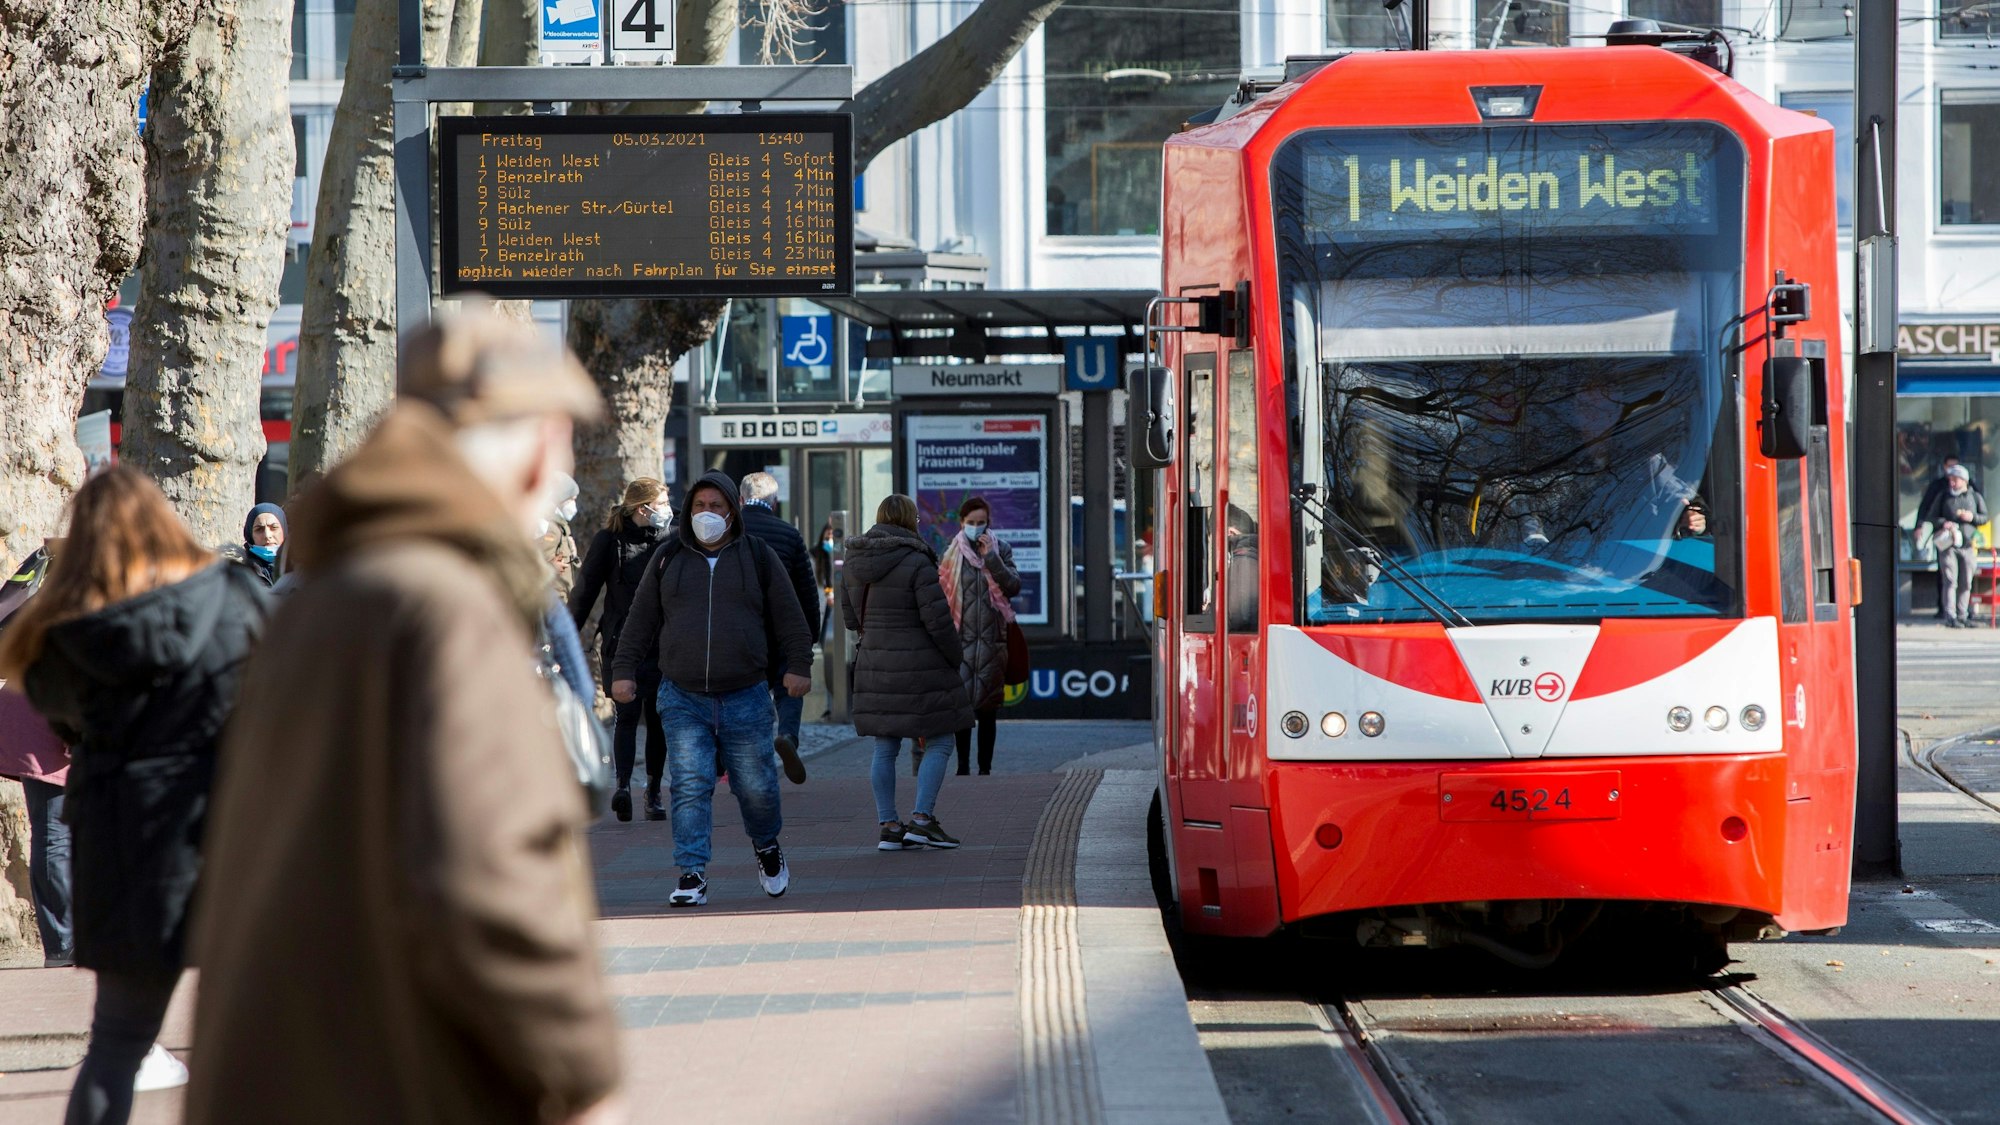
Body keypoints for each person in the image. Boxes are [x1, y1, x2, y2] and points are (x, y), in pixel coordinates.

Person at [184, 307, 626, 1125]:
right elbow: (492, 879)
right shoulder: (451, 605)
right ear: (534, 448)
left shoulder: (322, 594)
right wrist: (583, 1078)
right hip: (408, 1078)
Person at [0, 467, 269, 1125]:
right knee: (264, 1040)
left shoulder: (66, 636)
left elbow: (61, 721)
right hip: (229, 834)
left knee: (117, 1046)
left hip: (120, 841)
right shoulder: (233, 594)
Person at [610, 471, 813, 908]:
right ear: (688, 512)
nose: (707, 514)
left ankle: (766, 846)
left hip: (745, 693)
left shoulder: (758, 556)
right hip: (683, 696)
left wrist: (798, 665)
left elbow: (790, 617)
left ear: (733, 511)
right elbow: (640, 620)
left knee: (755, 786)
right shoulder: (667, 558)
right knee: (688, 783)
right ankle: (691, 872)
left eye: (716, 506)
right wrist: (623, 670)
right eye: (699, 506)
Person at [843, 494, 974, 849]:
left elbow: (850, 619)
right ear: (908, 521)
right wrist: (954, 656)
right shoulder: (916, 560)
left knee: (884, 746)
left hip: (873, 663)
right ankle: (922, 819)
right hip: (919, 666)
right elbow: (937, 620)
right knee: (941, 739)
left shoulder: (853, 560)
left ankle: (888, 825)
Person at [570, 478, 672, 821]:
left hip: (662, 645)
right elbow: (585, 592)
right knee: (626, 715)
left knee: (658, 719)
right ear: (642, 508)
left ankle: (654, 791)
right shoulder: (609, 541)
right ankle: (624, 786)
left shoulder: (669, 540)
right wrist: (566, 634)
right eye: (661, 502)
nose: (667, 509)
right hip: (621, 643)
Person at [737, 471, 816, 785]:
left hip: (744, 629)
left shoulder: (732, 534)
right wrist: (808, 639)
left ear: (741, 500)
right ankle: (787, 736)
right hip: (783, 628)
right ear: (774, 501)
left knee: (748, 692)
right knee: (789, 687)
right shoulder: (789, 533)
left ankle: (750, 762)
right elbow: (807, 591)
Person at [937, 497, 1020, 777]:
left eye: (980, 522)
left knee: (988, 711)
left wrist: (991, 559)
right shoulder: (950, 554)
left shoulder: (1001, 549)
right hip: (960, 644)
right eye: (970, 522)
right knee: (962, 711)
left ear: (988, 523)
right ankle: (962, 768)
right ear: (961, 523)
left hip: (992, 644)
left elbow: (1013, 586)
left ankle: (985, 769)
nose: (975, 527)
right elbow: (941, 595)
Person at [1924, 463, 1988, 628]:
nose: (1952, 483)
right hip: (1949, 545)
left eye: (1956, 479)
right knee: (1950, 580)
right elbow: (1931, 516)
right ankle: (1950, 616)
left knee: (1966, 581)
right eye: (1951, 479)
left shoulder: (1974, 497)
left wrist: (1971, 517)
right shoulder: (1944, 496)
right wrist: (1944, 523)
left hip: (1968, 544)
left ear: (1964, 481)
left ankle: (1963, 614)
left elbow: (1984, 517)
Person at [541, 472, 582, 603]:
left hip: (561, 596)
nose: (574, 505)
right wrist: (551, 568)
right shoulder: (548, 527)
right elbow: (537, 562)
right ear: (562, 499)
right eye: (573, 499)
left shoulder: (560, 526)